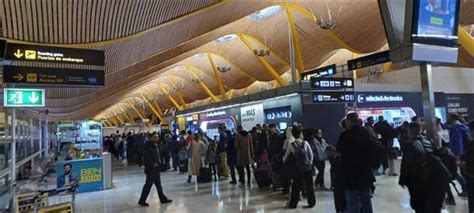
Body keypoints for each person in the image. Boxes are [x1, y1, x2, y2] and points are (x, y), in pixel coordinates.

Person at [399, 122, 448, 212]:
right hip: (435, 180)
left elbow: (406, 165)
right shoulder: (429, 142)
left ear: (409, 131)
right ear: (420, 130)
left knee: (420, 207)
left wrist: (403, 180)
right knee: (434, 206)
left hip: (419, 181)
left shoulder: (409, 146)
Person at [337, 113, 374, 213]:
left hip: (350, 174)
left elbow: (339, 150)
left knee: (353, 201)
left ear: (348, 121)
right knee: (366, 200)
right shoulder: (366, 132)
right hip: (364, 172)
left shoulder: (345, 135)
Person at [283, 125, 315, 209]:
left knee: (296, 187)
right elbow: (311, 155)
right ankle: (311, 203)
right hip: (307, 169)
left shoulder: (291, 144)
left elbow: (285, 157)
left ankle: (293, 204)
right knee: (309, 187)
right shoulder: (305, 143)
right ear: (300, 134)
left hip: (298, 169)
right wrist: (309, 164)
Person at [138, 134, 172, 206]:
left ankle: (162, 198)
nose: (157, 138)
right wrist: (153, 163)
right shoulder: (148, 146)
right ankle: (142, 200)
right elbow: (146, 157)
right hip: (151, 169)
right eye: (155, 137)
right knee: (148, 185)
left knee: (158, 185)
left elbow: (161, 152)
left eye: (157, 137)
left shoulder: (156, 145)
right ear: (151, 138)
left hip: (156, 169)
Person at [447, 113, 470, 197]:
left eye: (449, 117)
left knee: (456, 172)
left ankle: (466, 189)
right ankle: (467, 189)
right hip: (466, 153)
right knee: (464, 172)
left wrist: (457, 155)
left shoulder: (455, 128)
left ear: (452, 118)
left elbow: (457, 142)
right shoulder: (462, 126)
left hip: (459, 154)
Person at [462, 120, 474, 212]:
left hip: (471, 175)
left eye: (470, 130)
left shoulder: (472, 144)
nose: (469, 132)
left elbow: (466, 158)